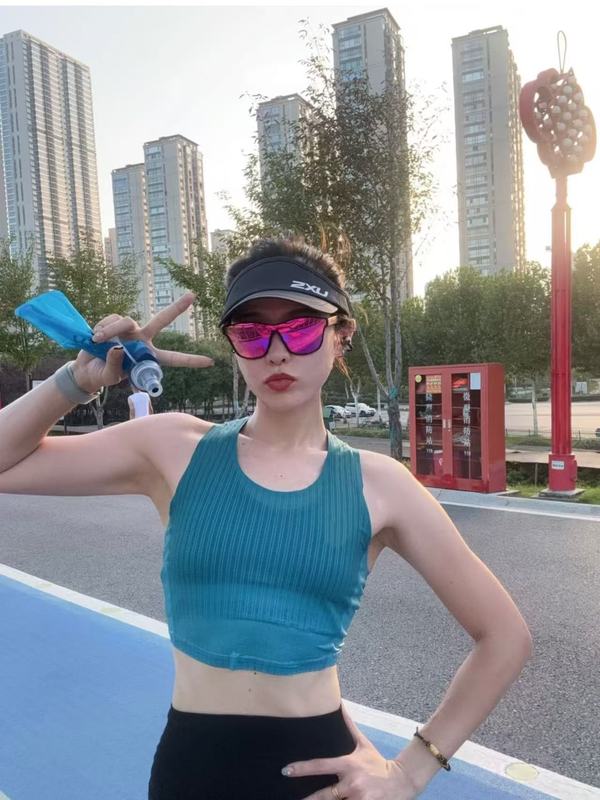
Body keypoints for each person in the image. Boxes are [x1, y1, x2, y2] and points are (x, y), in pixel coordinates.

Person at [0, 238, 532, 800]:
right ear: (234, 347)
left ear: (341, 335)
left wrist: (411, 770)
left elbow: (505, 637)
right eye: (252, 334)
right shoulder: (172, 447)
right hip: (191, 774)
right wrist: (77, 380)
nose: (277, 352)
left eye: (300, 329)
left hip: (319, 778)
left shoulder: (380, 484)